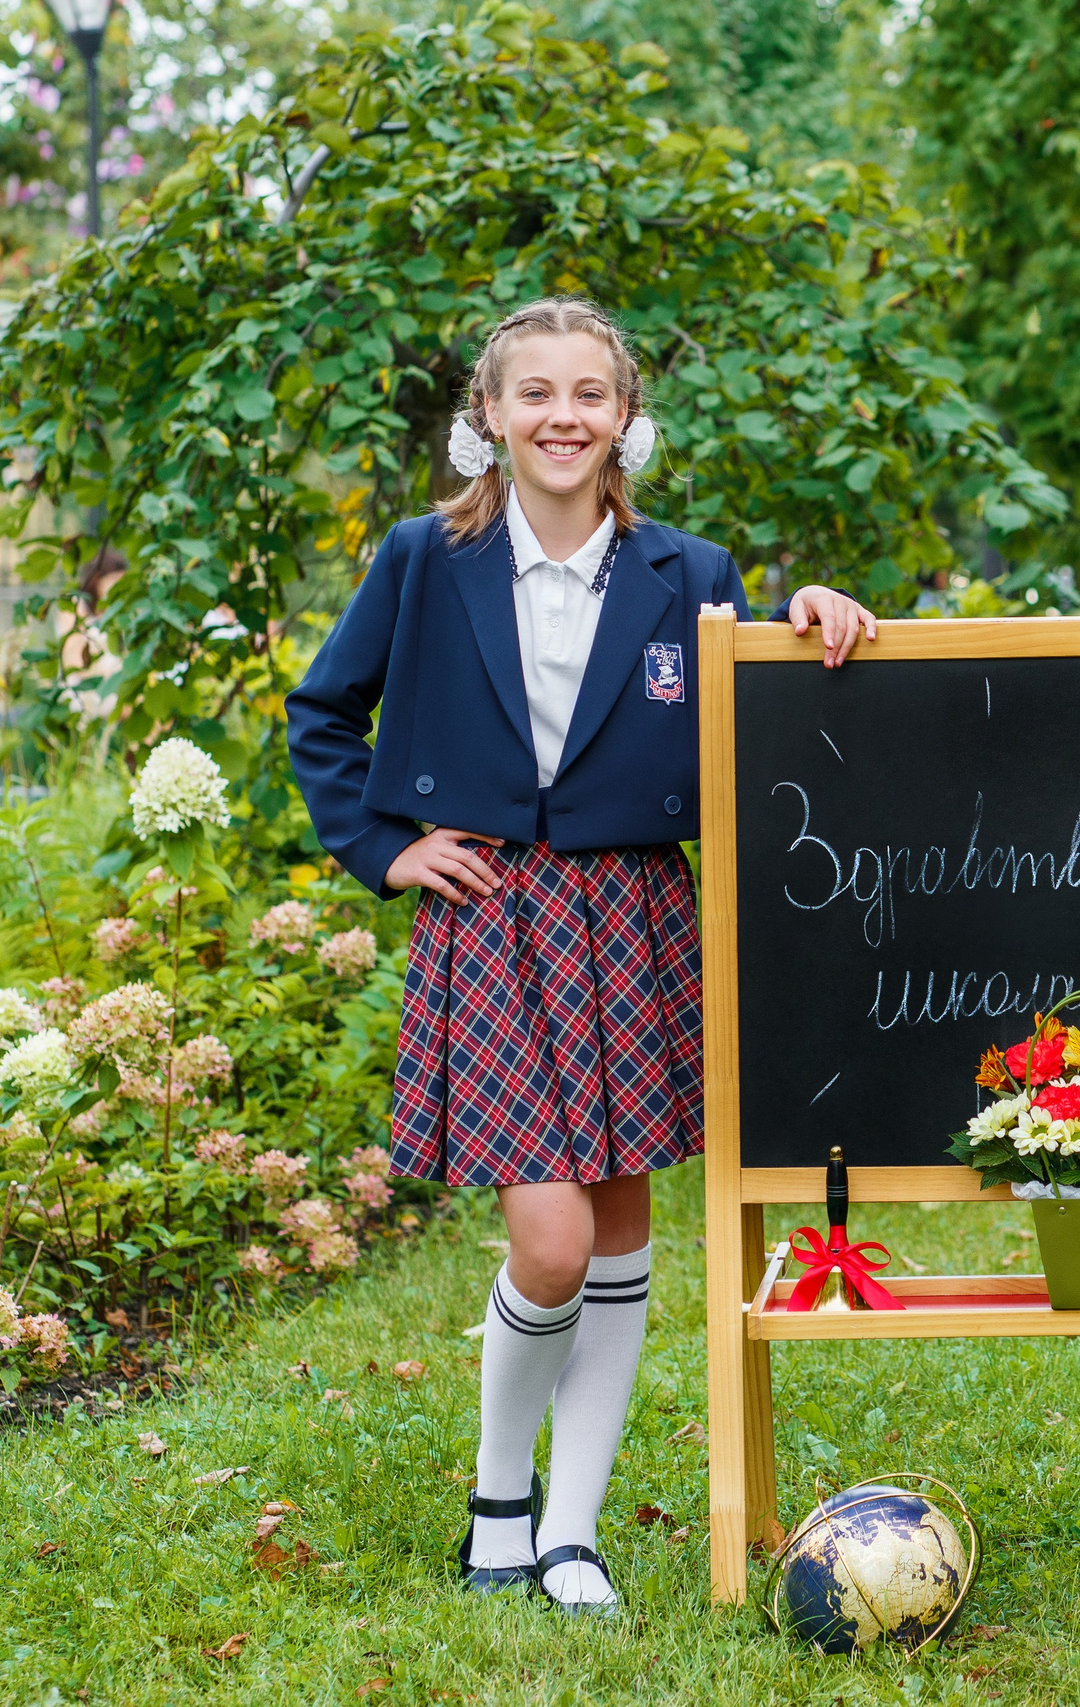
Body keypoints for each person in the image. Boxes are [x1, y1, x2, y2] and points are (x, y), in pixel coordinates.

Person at [286, 297, 875, 1614]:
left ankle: (571, 1526)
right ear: (486, 415)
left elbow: (749, 697)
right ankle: (499, 1492)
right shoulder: (424, 561)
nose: (564, 416)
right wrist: (383, 847)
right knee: (547, 1238)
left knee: (617, 1230)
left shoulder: (689, 570)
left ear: (628, 419)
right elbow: (323, 710)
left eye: (590, 393)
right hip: (492, 913)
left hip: (632, 915)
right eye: (535, 392)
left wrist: (804, 611)